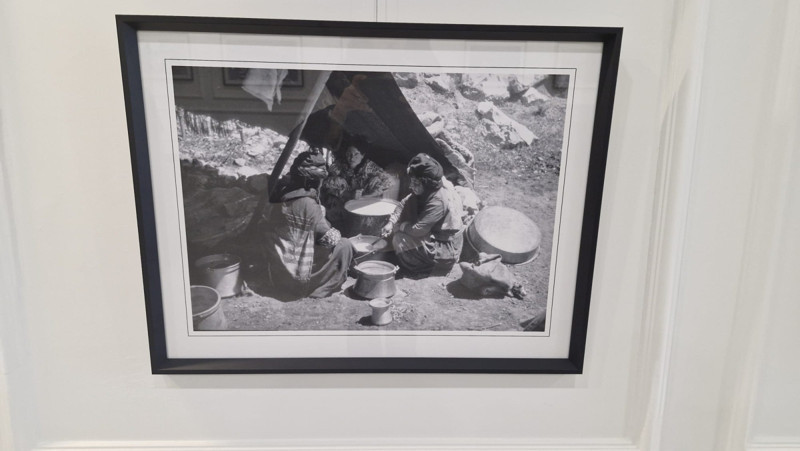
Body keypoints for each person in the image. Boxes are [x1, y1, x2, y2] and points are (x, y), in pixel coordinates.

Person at [261, 150, 353, 299]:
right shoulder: (308, 204)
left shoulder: (280, 192)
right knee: (345, 245)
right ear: (313, 181)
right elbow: (330, 240)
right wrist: (332, 227)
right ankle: (317, 288)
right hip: (298, 276)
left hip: (279, 269)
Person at [381, 153, 464, 276]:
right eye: (412, 182)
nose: (411, 186)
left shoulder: (438, 201)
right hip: (432, 235)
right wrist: (391, 222)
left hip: (445, 248)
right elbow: (403, 203)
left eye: (415, 183)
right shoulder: (426, 190)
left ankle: (423, 269)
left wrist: (400, 226)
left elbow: (418, 230)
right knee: (408, 212)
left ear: (426, 183)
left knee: (399, 239)